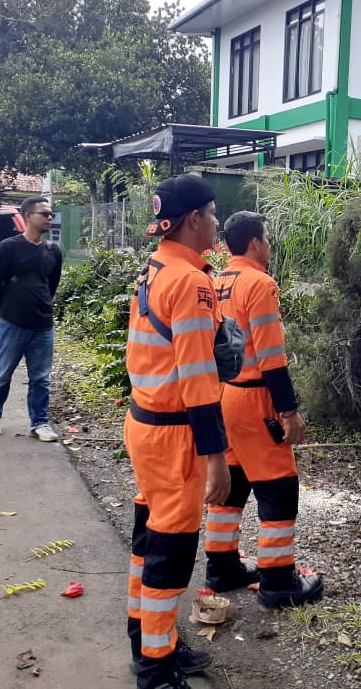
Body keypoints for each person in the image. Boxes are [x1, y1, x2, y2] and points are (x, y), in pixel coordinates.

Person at [124, 174, 230, 689]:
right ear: (193, 220)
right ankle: (156, 669)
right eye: (211, 215)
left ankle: (146, 639)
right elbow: (197, 377)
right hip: (174, 437)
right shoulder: (190, 281)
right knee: (171, 553)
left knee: (147, 539)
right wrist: (216, 456)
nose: (215, 223)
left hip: (144, 424)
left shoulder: (157, 267)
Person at [202, 211, 324, 608]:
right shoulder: (261, 283)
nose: (269, 246)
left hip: (223, 396)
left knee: (233, 483)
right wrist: (288, 412)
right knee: (278, 487)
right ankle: (277, 580)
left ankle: (221, 568)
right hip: (255, 400)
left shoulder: (216, 281)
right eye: (267, 239)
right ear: (255, 243)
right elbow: (271, 356)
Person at [0, 196, 62, 442]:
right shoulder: (9, 247)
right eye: (44, 214)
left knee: (41, 378)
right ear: (28, 216)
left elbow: (52, 284)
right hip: (12, 323)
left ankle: (39, 423)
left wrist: (43, 304)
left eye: (51, 214)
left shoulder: (53, 251)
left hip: (43, 326)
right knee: (2, 373)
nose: (50, 218)